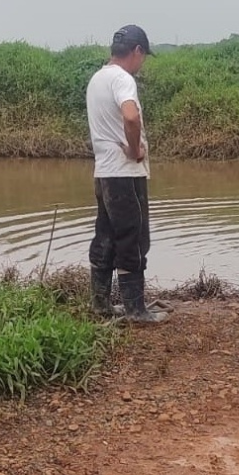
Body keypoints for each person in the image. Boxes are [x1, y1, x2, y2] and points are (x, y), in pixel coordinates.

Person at [86, 24, 166, 323]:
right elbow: (131, 116)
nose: (142, 62)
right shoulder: (122, 79)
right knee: (133, 237)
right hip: (124, 173)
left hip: (104, 172)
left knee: (106, 235)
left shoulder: (98, 77)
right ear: (136, 51)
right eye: (143, 56)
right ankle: (135, 310)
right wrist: (134, 149)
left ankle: (101, 304)